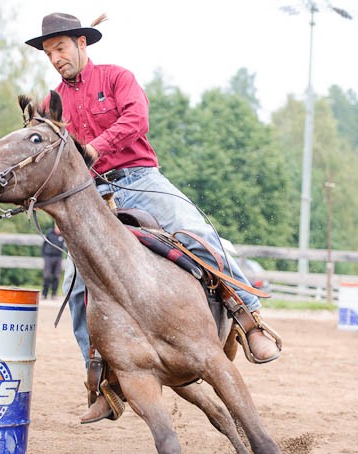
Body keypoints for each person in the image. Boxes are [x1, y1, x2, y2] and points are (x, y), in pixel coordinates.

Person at [26, 13, 281, 422]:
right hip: (93, 196)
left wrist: (95, 147)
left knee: (197, 233)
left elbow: (136, 120)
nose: (55, 58)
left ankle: (249, 320)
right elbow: (50, 158)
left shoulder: (117, 77)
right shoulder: (51, 104)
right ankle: (104, 381)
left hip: (141, 178)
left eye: (60, 48)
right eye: (48, 52)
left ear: (81, 44)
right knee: (78, 289)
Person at [41, 223, 64, 299]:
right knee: (47, 276)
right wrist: (44, 255)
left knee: (56, 276)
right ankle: (44, 294)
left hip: (58, 257)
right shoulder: (49, 233)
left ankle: (54, 294)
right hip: (49, 257)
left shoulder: (63, 235)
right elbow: (44, 244)